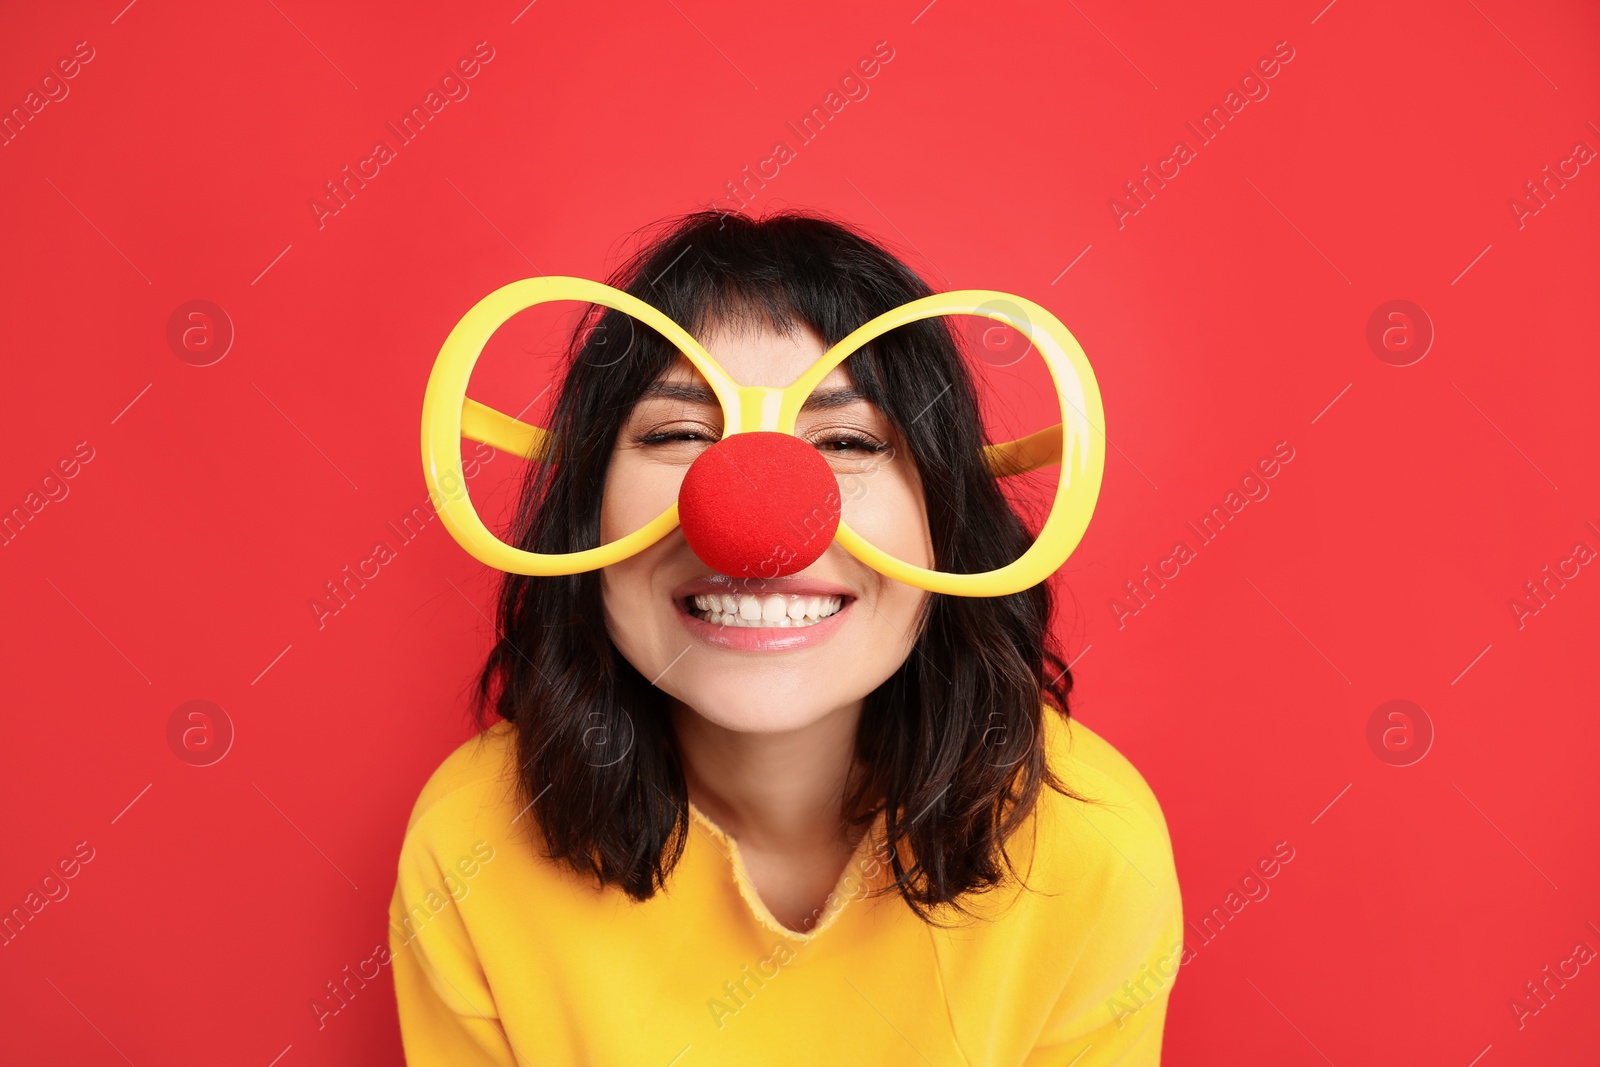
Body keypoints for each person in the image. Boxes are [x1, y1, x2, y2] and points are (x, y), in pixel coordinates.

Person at [388, 208, 1182, 1065]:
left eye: (845, 439)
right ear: (584, 514)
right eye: (682, 434)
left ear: (947, 522)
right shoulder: (471, 841)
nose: (758, 520)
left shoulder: (1092, 851)